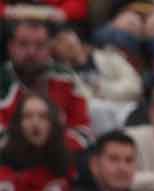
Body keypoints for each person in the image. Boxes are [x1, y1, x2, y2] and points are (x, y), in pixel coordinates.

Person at [0, 18, 92, 152]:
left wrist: (48, 145)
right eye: (23, 44)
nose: (31, 52)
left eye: (39, 45)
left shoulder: (66, 78)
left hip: (59, 159)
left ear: (50, 48)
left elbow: (83, 132)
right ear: (10, 47)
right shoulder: (2, 79)